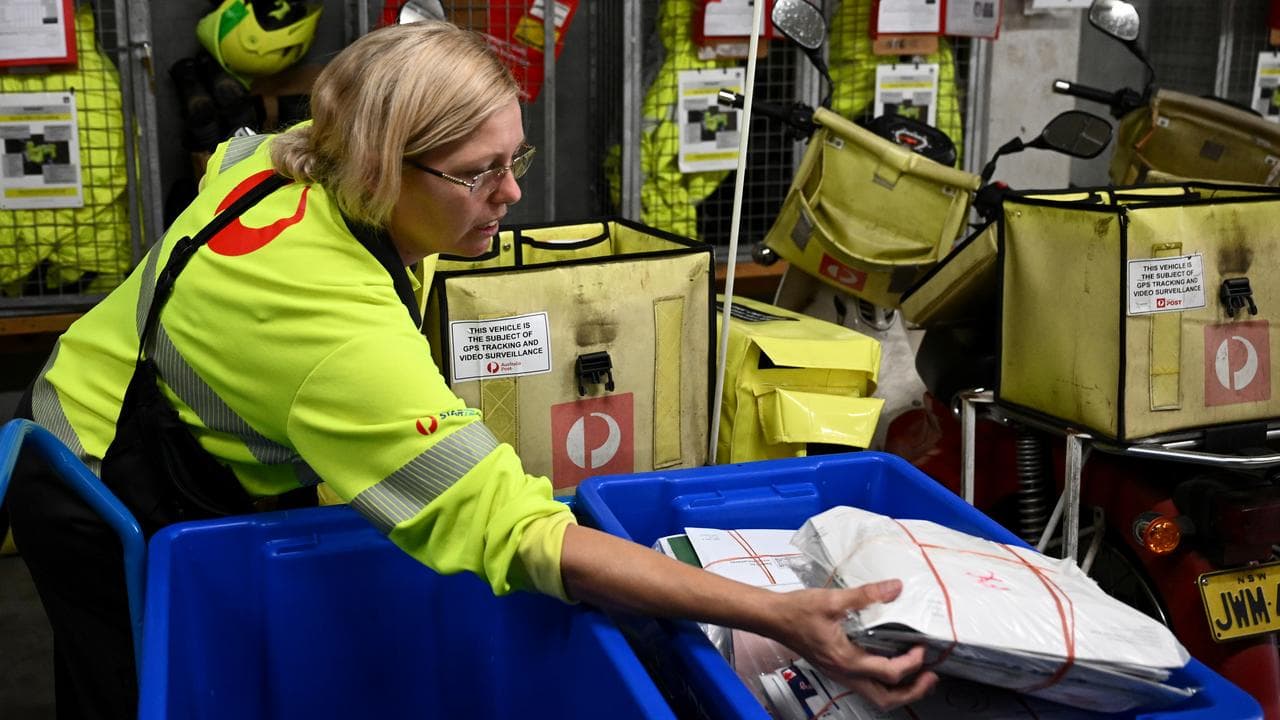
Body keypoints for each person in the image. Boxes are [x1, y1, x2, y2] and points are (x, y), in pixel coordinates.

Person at [4, 20, 938, 719]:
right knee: (134, 685)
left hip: (127, 398)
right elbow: (518, 535)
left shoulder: (285, 159)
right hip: (98, 477)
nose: (513, 192)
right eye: (478, 172)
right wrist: (777, 613)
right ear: (380, 166)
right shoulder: (331, 326)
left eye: (514, 157)